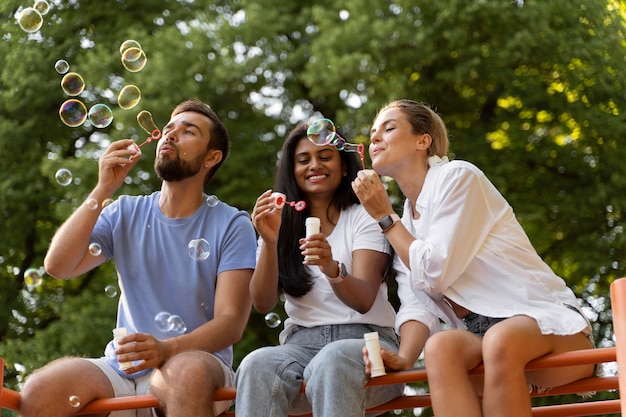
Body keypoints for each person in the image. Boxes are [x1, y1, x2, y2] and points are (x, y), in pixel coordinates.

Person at [352, 99, 595, 417]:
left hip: (552, 329)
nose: (375, 138)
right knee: (440, 347)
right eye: (373, 133)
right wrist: (404, 358)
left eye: (389, 127)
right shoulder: (405, 224)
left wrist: (385, 217)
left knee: (500, 339)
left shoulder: (458, 177)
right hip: (483, 339)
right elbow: (416, 304)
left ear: (423, 141)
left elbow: (434, 271)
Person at [19, 99, 257, 417]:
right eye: (169, 129)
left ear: (212, 157)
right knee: (39, 391)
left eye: (189, 132)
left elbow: (230, 324)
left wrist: (166, 349)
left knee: (187, 373)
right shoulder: (124, 211)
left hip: (194, 364)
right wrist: (103, 189)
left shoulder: (231, 223)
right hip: (121, 369)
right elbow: (58, 266)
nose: (171, 136)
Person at [235, 123, 437, 417]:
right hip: (299, 347)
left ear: (344, 166)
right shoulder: (280, 224)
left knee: (332, 359)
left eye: (325, 156)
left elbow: (364, 299)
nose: (314, 165)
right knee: (256, 363)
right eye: (303, 160)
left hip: (367, 346)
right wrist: (269, 242)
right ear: (292, 171)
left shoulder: (365, 216)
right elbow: (262, 302)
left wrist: (332, 269)